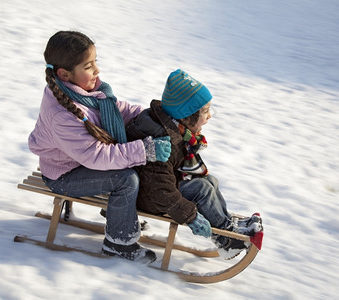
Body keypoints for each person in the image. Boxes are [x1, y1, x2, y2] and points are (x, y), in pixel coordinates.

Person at [28, 31, 171, 263]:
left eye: (96, 62)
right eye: (88, 66)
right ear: (64, 73)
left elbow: (117, 111)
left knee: (132, 163)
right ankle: (118, 241)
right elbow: (98, 157)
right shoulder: (62, 115)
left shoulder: (82, 92)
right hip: (64, 175)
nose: (97, 70)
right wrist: (144, 150)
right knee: (126, 178)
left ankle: (119, 213)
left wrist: (150, 117)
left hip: (80, 163)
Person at [126, 69, 263, 259]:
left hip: (158, 188)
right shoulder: (164, 142)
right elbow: (160, 189)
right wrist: (189, 215)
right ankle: (225, 238)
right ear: (186, 115)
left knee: (210, 181)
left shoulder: (175, 129)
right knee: (202, 189)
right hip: (149, 196)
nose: (209, 116)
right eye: (205, 111)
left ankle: (226, 222)